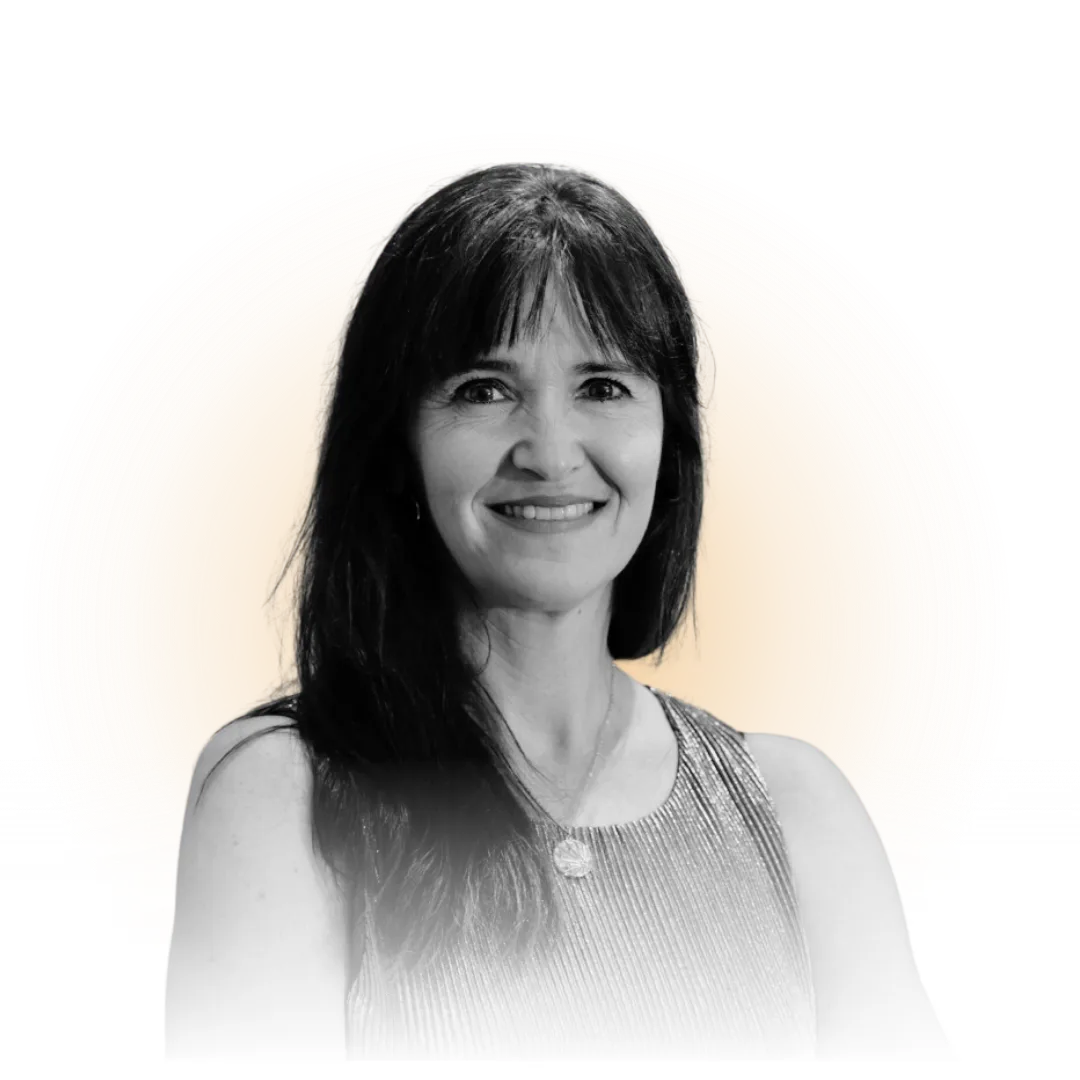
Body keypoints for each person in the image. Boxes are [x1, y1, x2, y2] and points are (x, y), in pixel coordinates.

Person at [165, 159, 950, 1061]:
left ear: (669, 439)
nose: (549, 452)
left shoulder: (796, 808)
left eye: (602, 386)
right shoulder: (286, 791)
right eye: (484, 390)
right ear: (398, 444)